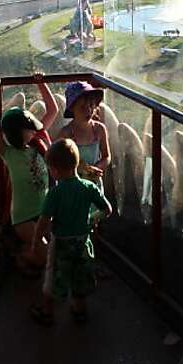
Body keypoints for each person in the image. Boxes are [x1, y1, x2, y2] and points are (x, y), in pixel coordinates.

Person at [0, 75, 59, 273]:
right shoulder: (8, 154)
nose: (34, 131)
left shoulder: (35, 144)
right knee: (49, 259)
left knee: (47, 257)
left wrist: (40, 83)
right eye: (28, 129)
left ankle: (22, 252)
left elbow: (53, 110)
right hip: (23, 218)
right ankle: (20, 255)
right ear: (16, 133)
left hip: (43, 212)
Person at [30, 139, 113, 325]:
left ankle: (47, 312)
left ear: (56, 170)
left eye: (51, 169)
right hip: (83, 241)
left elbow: (44, 221)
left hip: (61, 244)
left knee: (52, 279)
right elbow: (107, 209)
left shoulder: (55, 193)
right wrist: (92, 219)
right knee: (80, 278)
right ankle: (79, 311)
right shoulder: (88, 187)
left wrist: (35, 242)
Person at [57, 81, 112, 190]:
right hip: (73, 186)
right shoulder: (66, 133)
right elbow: (58, 161)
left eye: (91, 105)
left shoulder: (99, 129)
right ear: (72, 108)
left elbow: (106, 156)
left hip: (94, 184)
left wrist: (97, 168)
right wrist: (80, 168)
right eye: (82, 107)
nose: (88, 110)